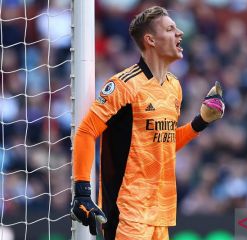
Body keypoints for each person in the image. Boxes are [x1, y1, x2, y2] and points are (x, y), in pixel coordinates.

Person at [70, 6, 225, 240]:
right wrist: (82, 192)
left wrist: (200, 122)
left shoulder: (174, 86)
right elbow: (86, 131)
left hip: (160, 213)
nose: (180, 33)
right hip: (127, 212)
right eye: (171, 29)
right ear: (151, 40)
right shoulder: (123, 85)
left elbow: (163, 145)